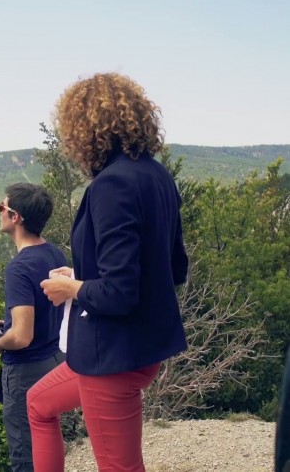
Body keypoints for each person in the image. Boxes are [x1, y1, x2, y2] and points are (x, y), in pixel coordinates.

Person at [29, 72, 189, 472]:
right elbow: (174, 267)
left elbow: (119, 293)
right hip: (142, 347)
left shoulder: (111, 184)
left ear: (83, 130)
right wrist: (81, 274)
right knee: (38, 403)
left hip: (112, 355)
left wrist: (73, 288)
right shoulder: (157, 175)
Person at [0, 182, 67, 472]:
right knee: (47, 439)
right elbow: (48, 311)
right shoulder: (54, 254)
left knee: (25, 454)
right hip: (54, 360)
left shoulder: (19, 267)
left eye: (2, 207)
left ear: (15, 217)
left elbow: (22, 336)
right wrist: (12, 322)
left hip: (26, 371)